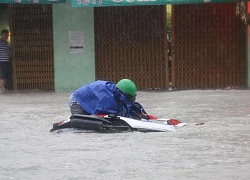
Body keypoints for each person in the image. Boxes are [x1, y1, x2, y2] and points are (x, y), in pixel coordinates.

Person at [69, 79, 148, 119]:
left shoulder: (116, 93)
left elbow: (124, 107)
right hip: (77, 100)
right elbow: (112, 114)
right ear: (124, 94)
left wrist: (137, 112)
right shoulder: (107, 99)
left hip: (92, 98)